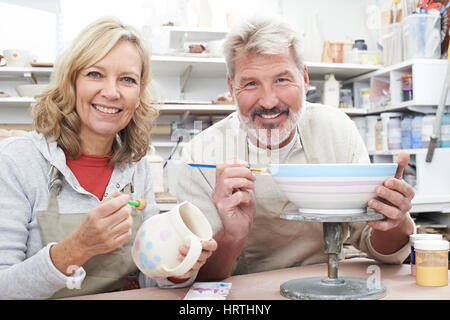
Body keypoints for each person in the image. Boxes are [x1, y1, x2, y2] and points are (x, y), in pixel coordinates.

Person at [171, 15, 415, 281]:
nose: (268, 101)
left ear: (305, 78)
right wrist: (232, 234)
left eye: (282, 80)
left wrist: (394, 219)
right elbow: (197, 277)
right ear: (232, 88)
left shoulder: (337, 131)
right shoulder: (200, 155)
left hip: (330, 284)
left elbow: (379, 247)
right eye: (251, 83)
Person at [0, 16, 216, 299]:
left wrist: (178, 268)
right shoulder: (17, 161)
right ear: (71, 82)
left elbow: (148, 278)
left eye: (127, 79)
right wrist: (78, 247)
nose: (112, 92)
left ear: (138, 94)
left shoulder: (135, 167)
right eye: (95, 74)